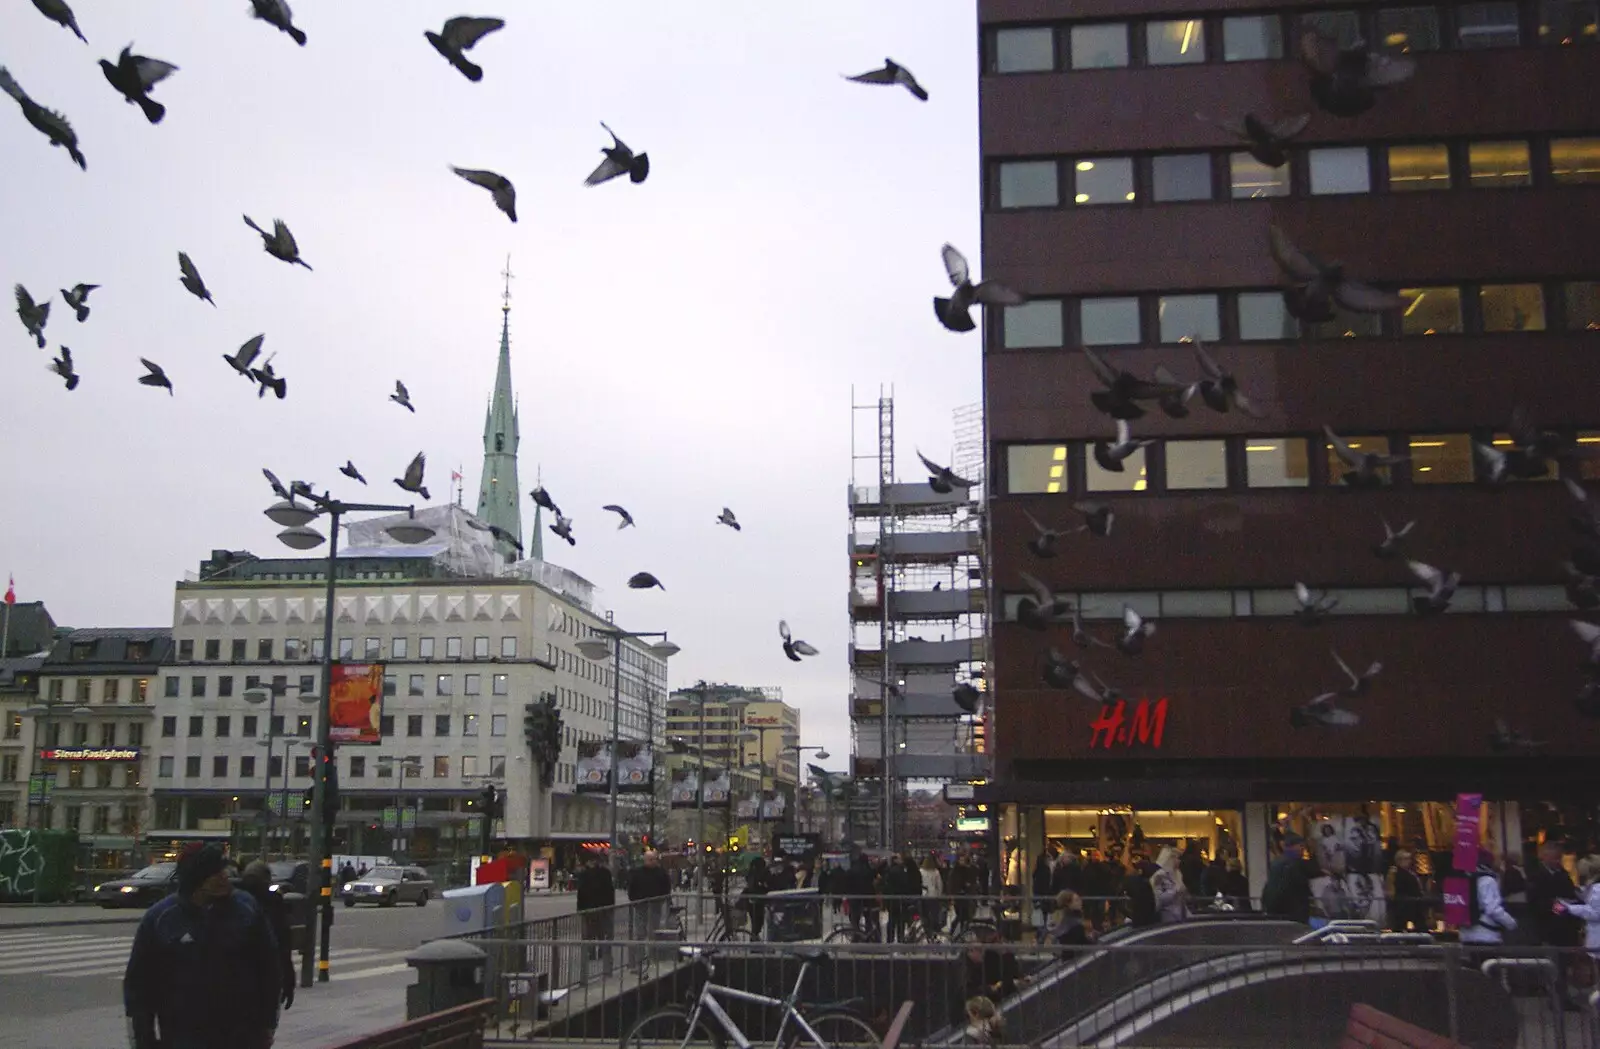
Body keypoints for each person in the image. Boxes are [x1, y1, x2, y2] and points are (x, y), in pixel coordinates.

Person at [123, 844, 281, 1049]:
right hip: (184, 1034)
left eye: (223, 870)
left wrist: (268, 1024)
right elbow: (139, 984)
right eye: (215, 873)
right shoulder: (162, 918)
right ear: (196, 879)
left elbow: (269, 967)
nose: (224, 876)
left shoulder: (246, 909)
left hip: (242, 1033)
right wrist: (144, 1038)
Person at [1527, 840, 1583, 1006]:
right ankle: (1555, 998)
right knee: (1553, 964)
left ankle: (1563, 997)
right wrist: (1558, 908)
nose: (1557, 861)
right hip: (1548, 927)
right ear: (1544, 857)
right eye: (1554, 858)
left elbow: (1571, 895)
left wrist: (1575, 905)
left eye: (1559, 858)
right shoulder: (1536, 876)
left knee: (1564, 964)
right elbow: (1536, 903)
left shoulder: (1563, 875)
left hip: (1565, 929)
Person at [239, 860, 296, 1013]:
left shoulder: (234, 902)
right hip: (266, 978)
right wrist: (288, 980)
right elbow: (283, 945)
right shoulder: (274, 904)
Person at [1460, 848, 1517, 953]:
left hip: (1466, 935)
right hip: (1487, 936)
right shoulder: (1487, 880)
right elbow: (1492, 909)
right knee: (1490, 967)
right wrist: (1510, 923)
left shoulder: (1465, 879)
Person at [576, 854, 615, 972]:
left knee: (590, 932)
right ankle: (603, 952)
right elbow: (610, 890)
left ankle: (591, 952)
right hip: (604, 907)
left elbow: (581, 892)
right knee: (603, 931)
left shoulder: (584, 875)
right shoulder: (605, 873)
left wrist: (580, 908)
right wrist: (611, 905)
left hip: (589, 908)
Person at [1262, 834, 1313, 923]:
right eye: (1301, 846)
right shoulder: (1294, 863)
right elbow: (1300, 885)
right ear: (1293, 847)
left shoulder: (1277, 862)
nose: (1303, 849)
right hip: (1292, 911)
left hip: (1274, 910)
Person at [1386, 850, 1427, 932]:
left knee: (1420, 924)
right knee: (1400, 925)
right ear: (1399, 860)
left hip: (1414, 902)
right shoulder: (1395, 872)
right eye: (1406, 859)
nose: (1409, 861)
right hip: (1403, 903)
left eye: (1409, 858)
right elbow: (1391, 888)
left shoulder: (1411, 873)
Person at [1151, 846, 1188, 924]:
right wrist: (1175, 891)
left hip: (1180, 914)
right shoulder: (1159, 875)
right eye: (1176, 858)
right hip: (1167, 914)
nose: (1179, 861)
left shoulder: (1178, 874)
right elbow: (1159, 898)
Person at [743, 857, 771, 940]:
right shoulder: (761, 873)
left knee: (755, 922)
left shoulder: (751, 873)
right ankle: (754, 940)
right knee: (758, 922)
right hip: (758, 901)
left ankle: (754, 940)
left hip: (752, 901)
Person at [921, 855, 946, 935]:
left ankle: (927, 929)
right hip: (934, 895)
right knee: (934, 914)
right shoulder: (936, 872)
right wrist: (939, 894)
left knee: (925, 914)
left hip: (924, 895)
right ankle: (935, 929)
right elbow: (939, 885)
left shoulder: (921, 871)